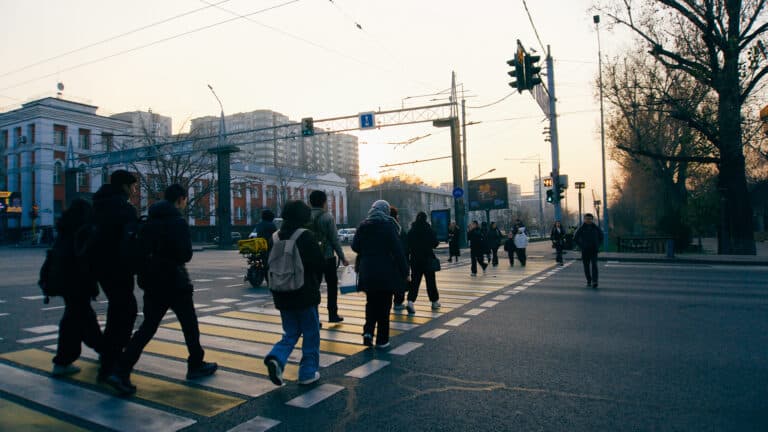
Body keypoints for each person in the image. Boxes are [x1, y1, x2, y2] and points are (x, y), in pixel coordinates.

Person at [106, 184, 217, 395]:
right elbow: (185, 255)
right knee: (189, 325)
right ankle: (195, 365)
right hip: (175, 283)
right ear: (181, 199)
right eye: (185, 200)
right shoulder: (177, 221)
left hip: (151, 282)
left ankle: (121, 370)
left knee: (147, 327)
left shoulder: (147, 221)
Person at [263, 200, 325, 386]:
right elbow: (318, 264)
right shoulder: (305, 236)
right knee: (311, 333)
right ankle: (307, 372)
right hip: (304, 294)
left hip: (281, 294)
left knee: (290, 332)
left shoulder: (274, 237)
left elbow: (268, 266)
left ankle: (277, 357)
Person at [91, 169, 139, 381]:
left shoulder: (97, 204)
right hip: (119, 267)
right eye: (134, 186)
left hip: (100, 267)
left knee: (117, 308)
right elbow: (130, 241)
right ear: (125, 187)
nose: (135, 191)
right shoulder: (123, 208)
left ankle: (108, 353)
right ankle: (112, 359)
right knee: (126, 310)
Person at [50, 199, 104, 376]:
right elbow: (85, 259)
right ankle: (63, 361)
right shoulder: (82, 231)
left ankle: (102, 349)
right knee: (75, 319)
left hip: (65, 282)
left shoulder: (64, 231)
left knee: (82, 316)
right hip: (77, 282)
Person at [352, 200, 409, 348]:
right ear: (386, 211)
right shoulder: (389, 226)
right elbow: (398, 251)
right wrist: (405, 272)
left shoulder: (363, 225)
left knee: (371, 303)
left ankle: (368, 332)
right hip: (385, 273)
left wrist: (368, 252)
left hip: (367, 271)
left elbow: (355, 246)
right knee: (384, 306)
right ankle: (382, 340)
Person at [309, 190, 348, 323]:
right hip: (327, 257)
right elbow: (334, 239)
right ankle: (332, 314)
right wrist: (342, 257)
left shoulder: (306, 217)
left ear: (310, 201)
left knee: (313, 287)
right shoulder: (327, 217)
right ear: (324, 202)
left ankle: (314, 318)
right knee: (332, 286)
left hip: (311, 257)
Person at [406, 211, 441, 312]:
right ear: (425, 219)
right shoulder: (428, 229)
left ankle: (410, 302)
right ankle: (434, 302)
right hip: (427, 259)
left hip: (415, 260)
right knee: (431, 282)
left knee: (415, 282)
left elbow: (407, 245)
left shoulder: (411, 231)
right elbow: (435, 243)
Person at [574, 213, 604, 288]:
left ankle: (595, 281)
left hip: (594, 250)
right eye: (587, 219)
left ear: (592, 220)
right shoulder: (581, 228)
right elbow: (575, 238)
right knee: (586, 266)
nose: (588, 220)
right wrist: (581, 246)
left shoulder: (596, 228)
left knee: (594, 265)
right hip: (585, 250)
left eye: (590, 219)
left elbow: (601, 236)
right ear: (584, 219)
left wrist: (598, 245)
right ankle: (589, 280)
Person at [390, 206, 411, 311]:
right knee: (400, 282)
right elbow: (405, 248)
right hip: (398, 262)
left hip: (385, 264)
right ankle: (398, 303)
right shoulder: (398, 229)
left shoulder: (381, 227)